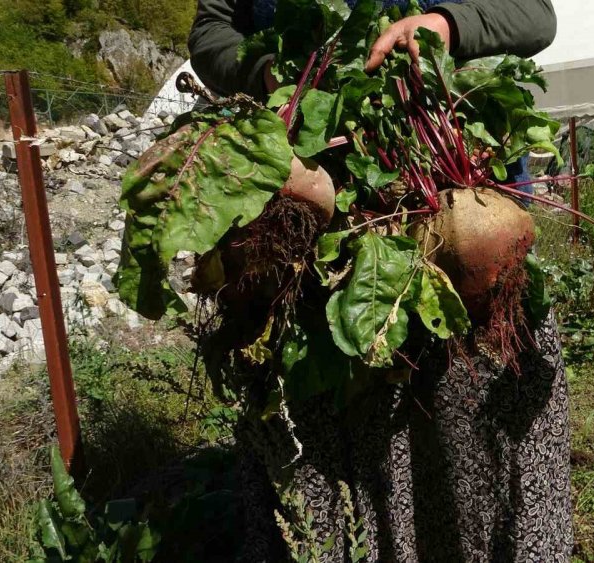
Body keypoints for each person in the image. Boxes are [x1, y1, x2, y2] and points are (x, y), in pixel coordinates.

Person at [189, 1, 570, 561]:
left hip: (459, 227)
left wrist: (446, 25)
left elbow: (534, 13)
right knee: (323, 447)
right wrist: (265, 69)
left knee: (474, 437)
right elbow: (210, 32)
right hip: (307, 251)